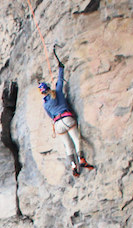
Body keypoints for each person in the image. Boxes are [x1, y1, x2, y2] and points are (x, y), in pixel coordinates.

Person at [39, 46, 93, 177]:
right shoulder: (57, 92)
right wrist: (61, 67)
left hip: (58, 124)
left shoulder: (45, 104)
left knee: (68, 146)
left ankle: (73, 166)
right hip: (68, 119)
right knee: (76, 139)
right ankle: (81, 159)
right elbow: (60, 80)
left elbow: (51, 116)